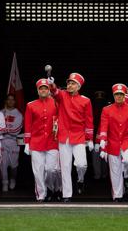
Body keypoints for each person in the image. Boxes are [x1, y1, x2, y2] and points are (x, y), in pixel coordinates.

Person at [49, 72, 93, 201]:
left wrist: (89, 139)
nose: (69, 85)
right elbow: (55, 92)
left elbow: (89, 120)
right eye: (68, 83)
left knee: (81, 164)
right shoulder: (62, 95)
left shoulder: (86, 100)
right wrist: (51, 83)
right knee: (65, 166)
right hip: (64, 136)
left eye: (73, 83)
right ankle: (67, 195)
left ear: (78, 86)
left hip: (78, 136)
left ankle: (80, 179)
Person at [98, 84, 128, 201]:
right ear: (114, 95)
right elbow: (104, 126)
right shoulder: (107, 109)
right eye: (117, 94)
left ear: (124, 95)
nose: (119, 97)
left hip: (127, 141)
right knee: (115, 171)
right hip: (112, 142)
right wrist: (102, 140)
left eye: (121, 94)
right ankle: (117, 195)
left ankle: (126, 175)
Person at [24, 78, 61, 202]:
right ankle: (41, 194)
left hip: (53, 141)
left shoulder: (56, 103)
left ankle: (51, 188)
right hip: (36, 142)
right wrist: (27, 143)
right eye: (41, 88)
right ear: (38, 91)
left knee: (52, 169)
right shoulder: (31, 105)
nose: (44, 90)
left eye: (46, 88)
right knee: (38, 171)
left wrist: (55, 87)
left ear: (49, 90)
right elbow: (28, 125)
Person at [1, 94, 23, 192]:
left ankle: (12, 179)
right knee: (3, 164)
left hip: (14, 142)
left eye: (12, 100)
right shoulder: (1, 112)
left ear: (14, 101)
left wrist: (5, 130)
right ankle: (5, 182)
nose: (10, 101)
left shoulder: (18, 114)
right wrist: (4, 130)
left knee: (14, 165)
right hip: (2, 141)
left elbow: (16, 130)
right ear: (6, 101)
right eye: (8, 100)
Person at [91, 90, 108, 181]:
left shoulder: (107, 110)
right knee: (96, 156)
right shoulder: (92, 111)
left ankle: (104, 174)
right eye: (98, 101)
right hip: (94, 138)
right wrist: (92, 140)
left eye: (101, 101)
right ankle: (98, 174)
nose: (99, 103)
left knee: (105, 157)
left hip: (106, 138)